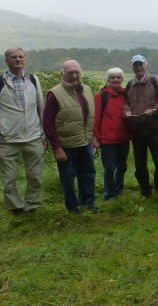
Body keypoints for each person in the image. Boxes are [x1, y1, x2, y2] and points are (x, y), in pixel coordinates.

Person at [0, 47, 47, 215]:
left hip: (33, 137)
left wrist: (44, 135)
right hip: (7, 140)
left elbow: (41, 109)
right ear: (6, 61)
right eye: (13, 57)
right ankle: (16, 207)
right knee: (9, 179)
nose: (18, 59)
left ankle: (32, 205)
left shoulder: (33, 80)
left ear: (25, 59)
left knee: (35, 176)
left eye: (20, 56)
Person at [43, 60, 98, 214]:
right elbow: (48, 123)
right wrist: (57, 148)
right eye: (70, 73)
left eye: (77, 72)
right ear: (63, 74)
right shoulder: (54, 94)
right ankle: (72, 208)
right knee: (68, 178)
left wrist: (93, 137)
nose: (74, 76)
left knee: (88, 175)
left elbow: (91, 116)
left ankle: (88, 204)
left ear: (81, 73)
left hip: (85, 142)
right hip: (66, 145)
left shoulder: (87, 89)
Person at [123, 55, 158, 198]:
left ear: (145, 66)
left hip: (154, 129)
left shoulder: (154, 81)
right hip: (137, 131)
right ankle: (145, 190)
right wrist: (126, 111)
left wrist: (154, 110)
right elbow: (125, 103)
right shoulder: (129, 84)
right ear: (132, 67)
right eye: (135, 65)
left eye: (140, 64)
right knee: (139, 163)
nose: (138, 67)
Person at [93, 67, 130, 201]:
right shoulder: (101, 96)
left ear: (122, 79)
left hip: (124, 138)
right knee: (109, 168)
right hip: (107, 140)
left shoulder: (126, 95)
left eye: (118, 77)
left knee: (122, 167)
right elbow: (96, 119)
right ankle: (109, 195)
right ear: (108, 80)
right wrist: (96, 137)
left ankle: (118, 190)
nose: (116, 80)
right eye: (112, 77)